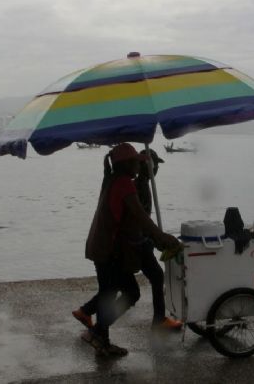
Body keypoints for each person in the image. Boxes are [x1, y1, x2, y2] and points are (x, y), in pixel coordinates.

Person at [73, 143, 180, 357]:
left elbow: (133, 221)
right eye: (135, 162)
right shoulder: (124, 184)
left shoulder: (115, 180)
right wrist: (162, 237)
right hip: (106, 250)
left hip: (102, 247)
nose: (138, 167)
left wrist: (156, 238)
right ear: (125, 164)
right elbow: (141, 218)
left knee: (115, 292)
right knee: (123, 292)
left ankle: (98, 332)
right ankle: (98, 334)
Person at [135, 148, 183, 330]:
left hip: (141, 240)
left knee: (122, 286)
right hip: (137, 242)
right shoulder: (140, 186)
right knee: (155, 277)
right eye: (154, 166)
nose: (156, 170)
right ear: (147, 166)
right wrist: (157, 239)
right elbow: (142, 220)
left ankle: (88, 312)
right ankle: (159, 320)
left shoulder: (143, 184)